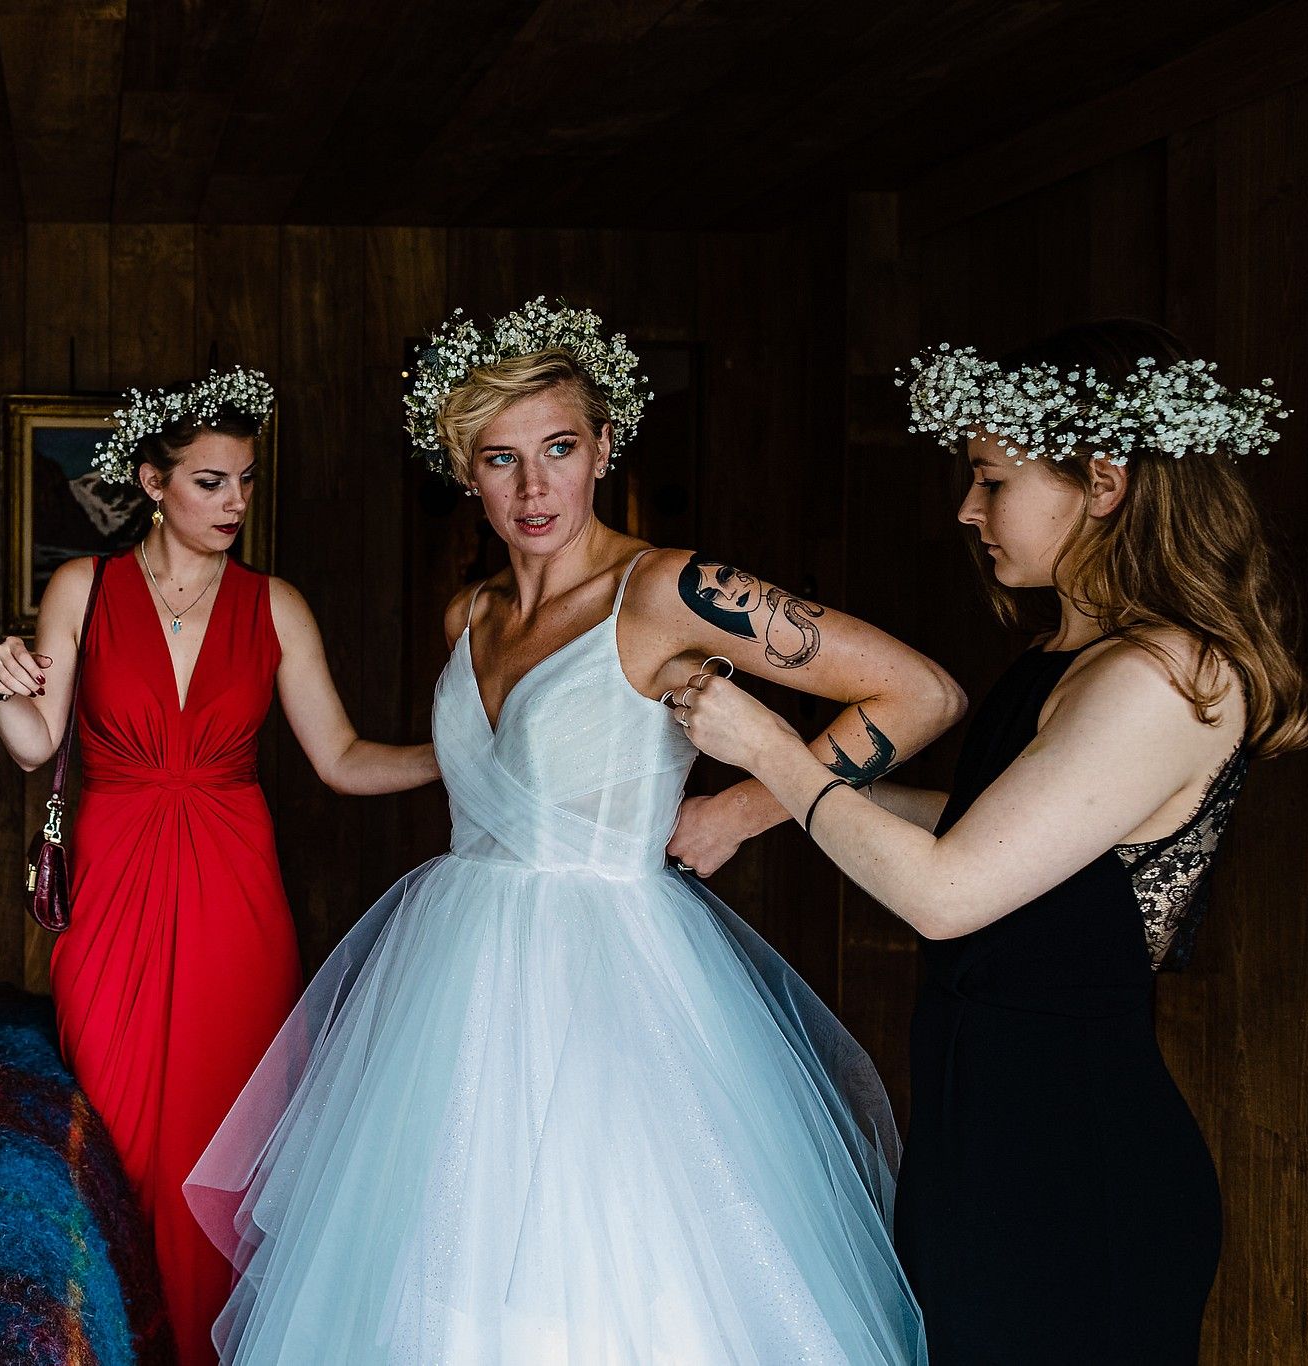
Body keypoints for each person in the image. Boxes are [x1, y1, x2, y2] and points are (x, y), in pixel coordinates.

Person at [186, 301, 958, 1363]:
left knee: (611, 1282)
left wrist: (740, 806)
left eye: (557, 448)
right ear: (464, 472)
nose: (533, 487)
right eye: (499, 460)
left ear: (603, 443)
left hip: (616, 988)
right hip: (448, 990)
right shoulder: (469, 616)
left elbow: (915, 692)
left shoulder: (663, 593)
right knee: (437, 1281)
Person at [676, 319, 1308, 1364]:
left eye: (989, 480)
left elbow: (947, 893)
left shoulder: (1158, 678)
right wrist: (746, 812)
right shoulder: (1061, 659)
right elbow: (987, 830)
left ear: (1101, 483)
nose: (965, 509)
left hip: (1076, 1170)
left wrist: (768, 748)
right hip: (981, 1143)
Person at [0, 367, 438, 1365]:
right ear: (151, 480)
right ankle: (113, 1338)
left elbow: (343, 759)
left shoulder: (275, 606)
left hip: (235, 891)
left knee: (232, 1137)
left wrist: (466, 754)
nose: (234, 502)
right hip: (112, 884)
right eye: (208, 482)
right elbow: (30, 746)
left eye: (242, 481)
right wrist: (0, 683)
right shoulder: (81, 589)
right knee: (115, 1130)